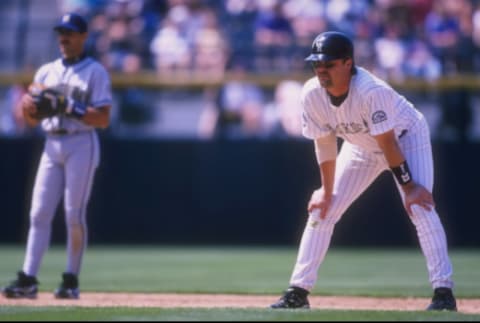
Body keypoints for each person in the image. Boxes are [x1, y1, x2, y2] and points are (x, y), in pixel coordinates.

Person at [270, 31, 457, 311]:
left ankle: (444, 294)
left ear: (348, 63)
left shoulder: (371, 91)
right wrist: (326, 191)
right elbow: (324, 144)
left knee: (420, 207)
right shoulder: (311, 94)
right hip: (360, 146)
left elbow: (389, 143)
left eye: (329, 64)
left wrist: (409, 188)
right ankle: (297, 291)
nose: (321, 70)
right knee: (323, 209)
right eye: (317, 64)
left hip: (405, 138)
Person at [1, 13, 112, 300]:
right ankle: (28, 279)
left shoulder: (95, 72)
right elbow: (29, 119)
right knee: (38, 213)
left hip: (81, 143)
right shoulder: (45, 72)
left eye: (70, 32)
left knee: (74, 215)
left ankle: (71, 279)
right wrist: (27, 107)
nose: (64, 37)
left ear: (83, 37)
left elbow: (102, 118)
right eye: (61, 32)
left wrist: (69, 106)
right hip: (51, 143)